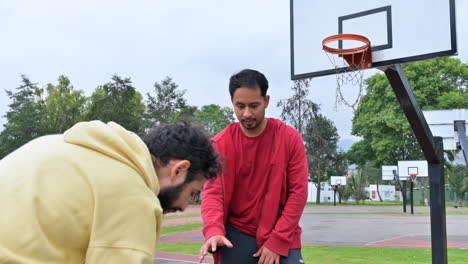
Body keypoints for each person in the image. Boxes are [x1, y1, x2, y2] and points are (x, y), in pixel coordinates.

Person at [0, 119, 221, 263]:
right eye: (192, 192)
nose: (184, 206)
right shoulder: (133, 195)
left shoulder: (54, 144)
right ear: (179, 170)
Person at [199, 69, 308, 264]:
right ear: (232, 102)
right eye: (240, 106)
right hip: (237, 234)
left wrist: (277, 240)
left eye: (254, 105)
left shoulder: (290, 139)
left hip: (282, 232)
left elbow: (298, 193)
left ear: (266, 101)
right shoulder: (220, 144)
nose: (247, 113)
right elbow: (213, 194)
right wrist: (214, 230)